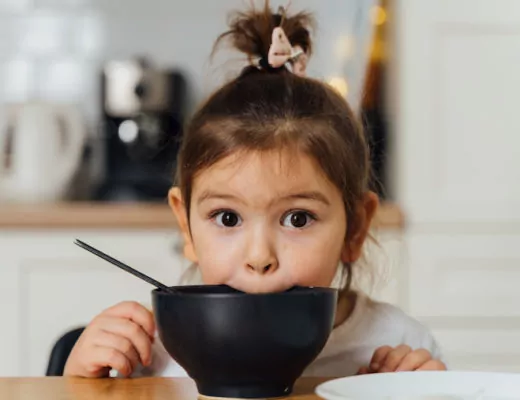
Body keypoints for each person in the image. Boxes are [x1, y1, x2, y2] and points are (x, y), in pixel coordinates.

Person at [64, 2, 446, 379]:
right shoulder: (152, 353)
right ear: (186, 225)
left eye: (298, 219)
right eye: (228, 218)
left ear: (355, 228)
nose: (260, 257)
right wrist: (78, 382)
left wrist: (424, 391)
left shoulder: (399, 346)